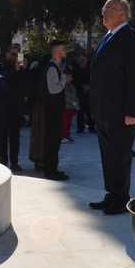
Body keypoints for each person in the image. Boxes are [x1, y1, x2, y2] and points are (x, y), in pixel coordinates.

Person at [87, 0, 135, 215]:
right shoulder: (109, 37)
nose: (103, 13)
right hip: (104, 109)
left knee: (120, 156)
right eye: (103, 9)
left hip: (121, 111)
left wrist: (131, 111)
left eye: (108, 9)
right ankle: (111, 194)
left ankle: (121, 198)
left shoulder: (132, 39)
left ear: (122, 13)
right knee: (108, 155)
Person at [40, 40, 70, 180]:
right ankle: (51, 171)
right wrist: (63, 80)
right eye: (63, 49)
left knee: (54, 140)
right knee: (52, 140)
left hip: (54, 108)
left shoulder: (56, 67)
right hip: (52, 109)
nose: (66, 51)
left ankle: (52, 169)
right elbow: (53, 89)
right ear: (56, 52)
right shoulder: (52, 68)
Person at [0, 44, 27, 170]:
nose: (15, 57)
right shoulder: (0, 66)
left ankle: (14, 162)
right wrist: (15, 70)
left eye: (17, 54)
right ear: (7, 54)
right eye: (12, 54)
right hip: (3, 105)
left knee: (15, 136)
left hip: (16, 106)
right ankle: (3, 160)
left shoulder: (21, 67)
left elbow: (25, 82)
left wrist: (24, 69)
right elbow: (2, 80)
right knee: (2, 135)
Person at [73, 54, 95, 134]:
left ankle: (92, 127)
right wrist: (82, 87)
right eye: (80, 61)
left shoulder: (91, 71)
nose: (81, 63)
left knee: (90, 111)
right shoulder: (76, 71)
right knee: (80, 112)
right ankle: (80, 128)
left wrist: (89, 87)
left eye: (83, 61)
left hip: (90, 93)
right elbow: (75, 82)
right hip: (80, 94)